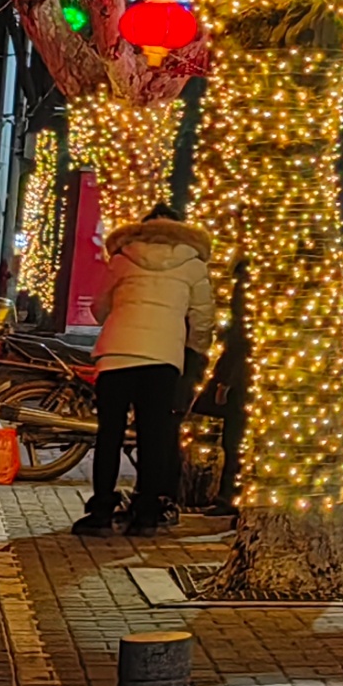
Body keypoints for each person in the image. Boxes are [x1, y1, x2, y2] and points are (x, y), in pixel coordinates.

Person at [77, 214, 215, 537]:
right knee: (153, 436)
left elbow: (99, 308)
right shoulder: (193, 264)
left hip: (116, 355)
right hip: (162, 360)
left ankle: (100, 511)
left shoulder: (124, 258)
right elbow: (203, 319)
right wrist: (191, 349)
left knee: (108, 435)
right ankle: (146, 514)